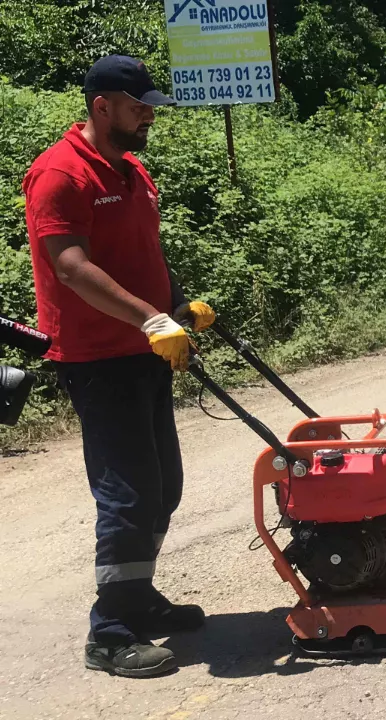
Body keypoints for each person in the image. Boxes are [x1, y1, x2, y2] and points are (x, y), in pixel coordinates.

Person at [22, 55, 218, 677]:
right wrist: (150, 320)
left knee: (165, 487)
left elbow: (141, 253)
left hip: (147, 348)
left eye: (152, 106)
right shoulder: (60, 174)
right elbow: (72, 267)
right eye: (140, 107)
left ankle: (137, 600)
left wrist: (175, 306)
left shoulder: (131, 169)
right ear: (101, 106)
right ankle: (108, 633)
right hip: (99, 359)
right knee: (128, 496)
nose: (149, 116)